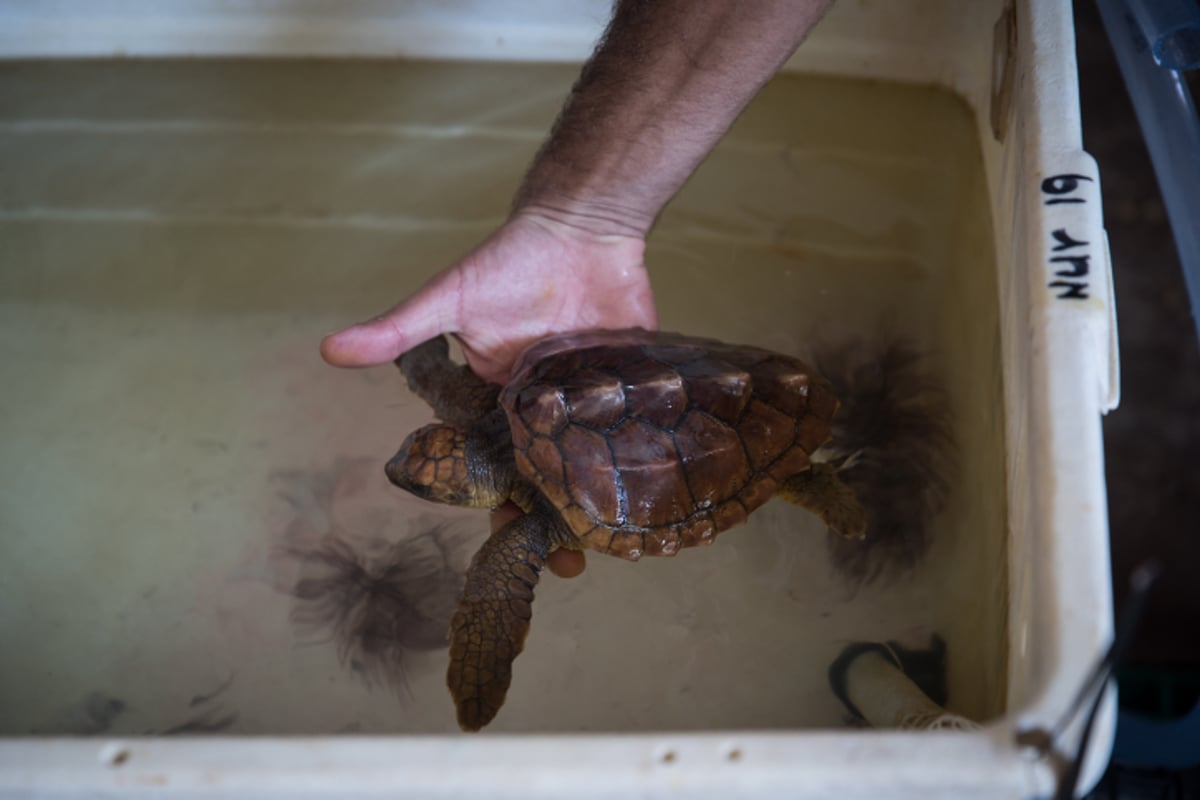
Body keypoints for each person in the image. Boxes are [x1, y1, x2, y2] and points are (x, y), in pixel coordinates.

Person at [320, 0, 836, 577]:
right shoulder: (502, 408)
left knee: (502, 571)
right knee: (445, 386)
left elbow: (450, 396)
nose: (404, 466)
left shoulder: (532, 516)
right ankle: (797, 468)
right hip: (655, 382)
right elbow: (444, 383)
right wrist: (580, 217)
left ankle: (804, 475)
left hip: (701, 413)